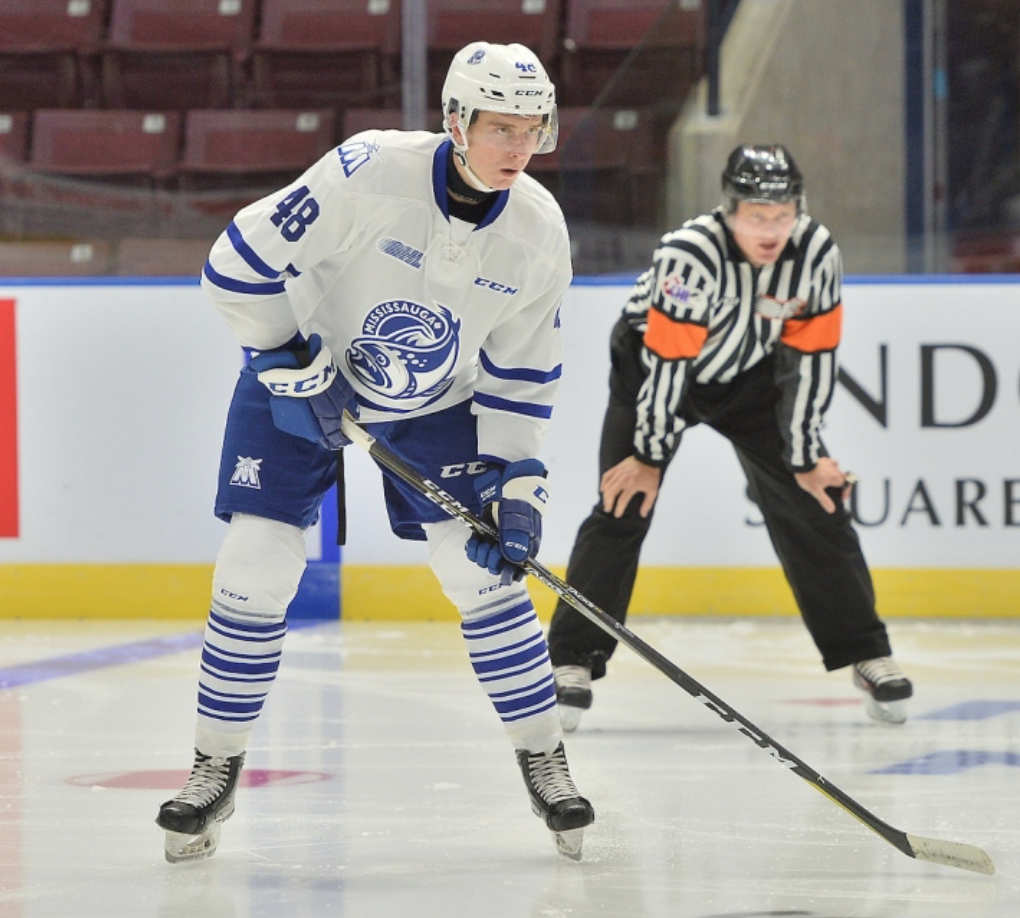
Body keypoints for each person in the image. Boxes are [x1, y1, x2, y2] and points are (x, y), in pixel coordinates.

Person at [155, 41, 594, 864]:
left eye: (532, 128)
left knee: (480, 571)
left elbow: (523, 372)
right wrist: (288, 360)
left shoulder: (538, 230)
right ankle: (213, 766)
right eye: (499, 127)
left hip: (439, 403)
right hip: (298, 369)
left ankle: (545, 756)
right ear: (456, 121)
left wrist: (518, 484)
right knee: (255, 564)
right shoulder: (368, 171)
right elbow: (233, 269)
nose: (517, 148)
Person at [547, 144, 913, 732]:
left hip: (749, 377)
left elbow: (812, 359)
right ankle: (571, 660)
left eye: (782, 214)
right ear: (729, 210)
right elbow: (667, 364)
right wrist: (647, 456)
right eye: (756, 216)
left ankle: (867, 652)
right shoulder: (689, 255)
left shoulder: (815, 251)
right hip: (654, 372)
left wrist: (805, 453)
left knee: (816, 498)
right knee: (624, 500)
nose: (771, 229)